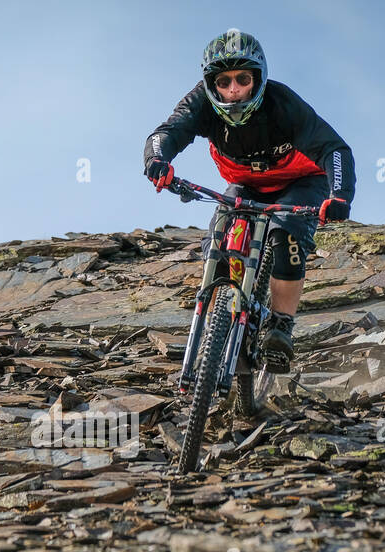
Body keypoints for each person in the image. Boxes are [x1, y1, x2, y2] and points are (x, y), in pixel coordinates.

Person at [143, 30, 356, 371]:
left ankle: (281, 325)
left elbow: (334, 149)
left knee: (286, 234)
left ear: (259, 78)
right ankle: (218, 327)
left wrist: (340, 196)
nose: (233, 90)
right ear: (211, 84)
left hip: (300, 181)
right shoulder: (200, 102)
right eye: (224, 81)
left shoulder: (282, 103)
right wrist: (157, 161)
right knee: (218, 240)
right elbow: (167, 133)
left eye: (243, 79)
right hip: (244, 183)